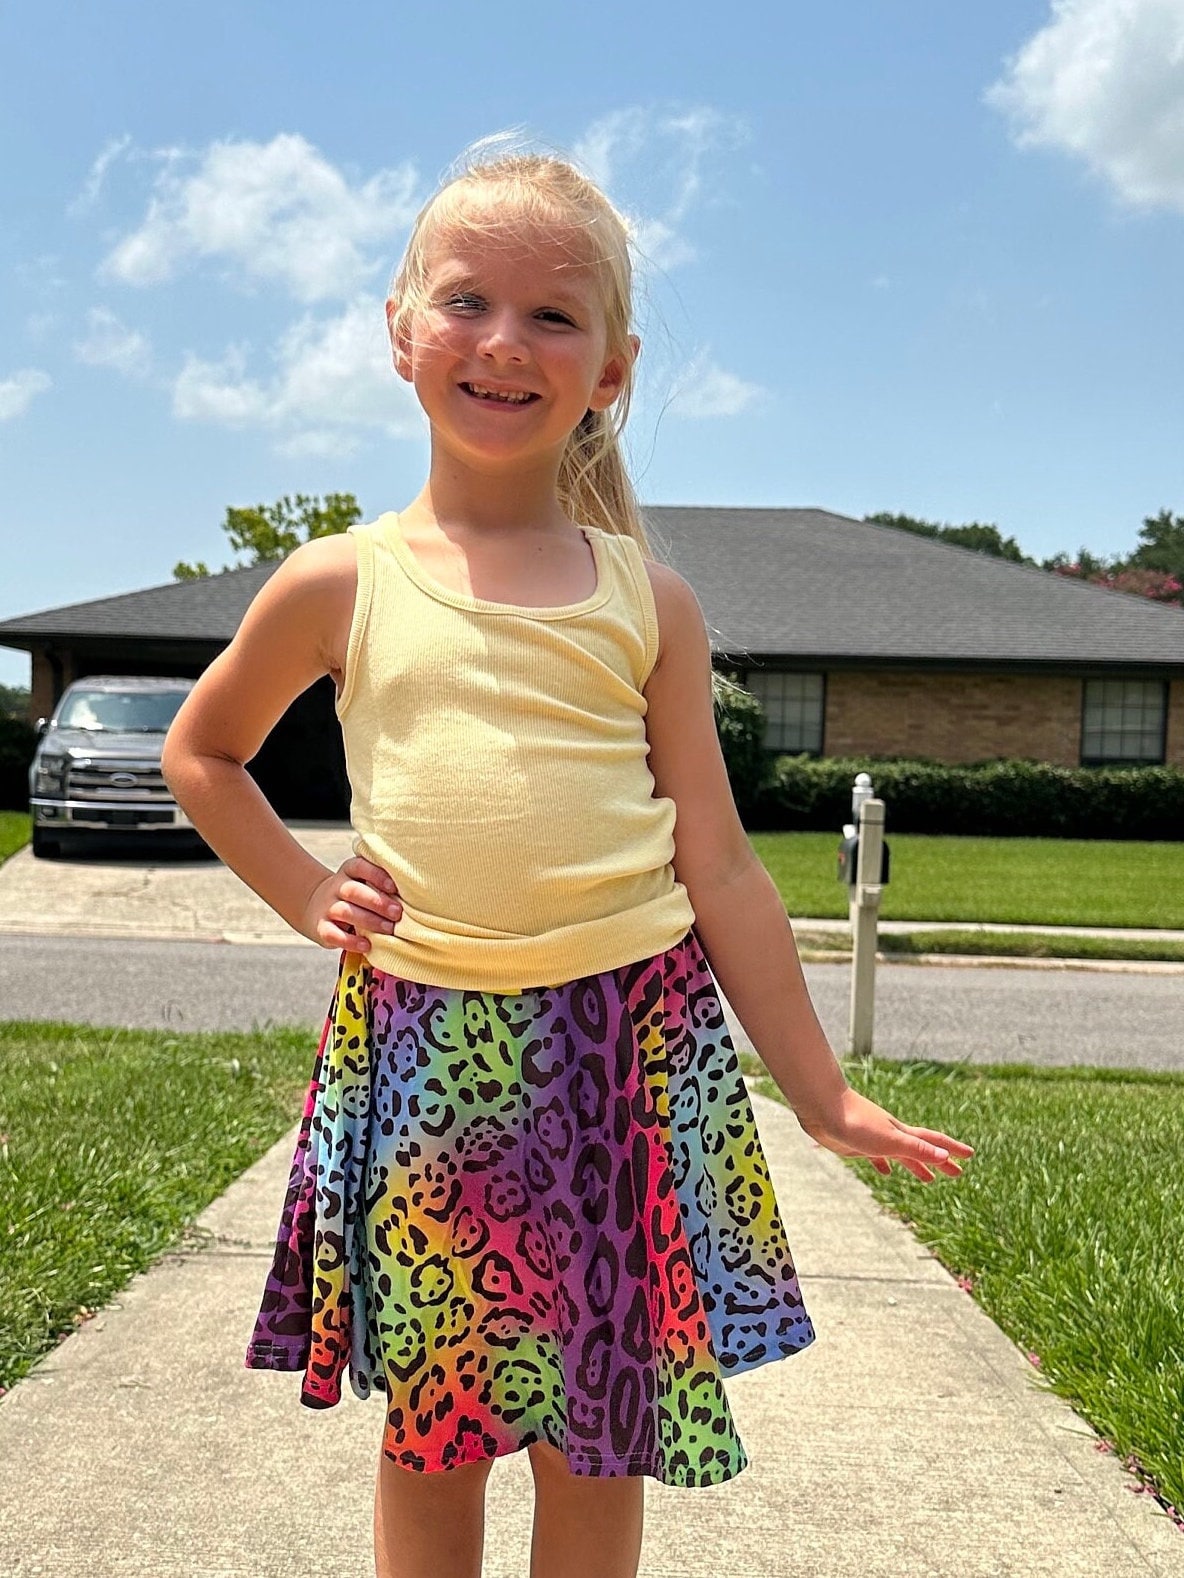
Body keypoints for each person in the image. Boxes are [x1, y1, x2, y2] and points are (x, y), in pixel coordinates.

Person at [161, 142, 973, 1578]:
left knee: (600, 1432)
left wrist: (824, 1090)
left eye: (554, 316)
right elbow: (202, 751)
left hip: (626, 1048)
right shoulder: (340, 580)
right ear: (400, 330)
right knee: (439, 1426)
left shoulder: (645, 601)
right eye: (467, 299)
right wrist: (300, 885)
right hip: (423, 1051)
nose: (504, 343)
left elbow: (720, 869)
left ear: (612, 369)